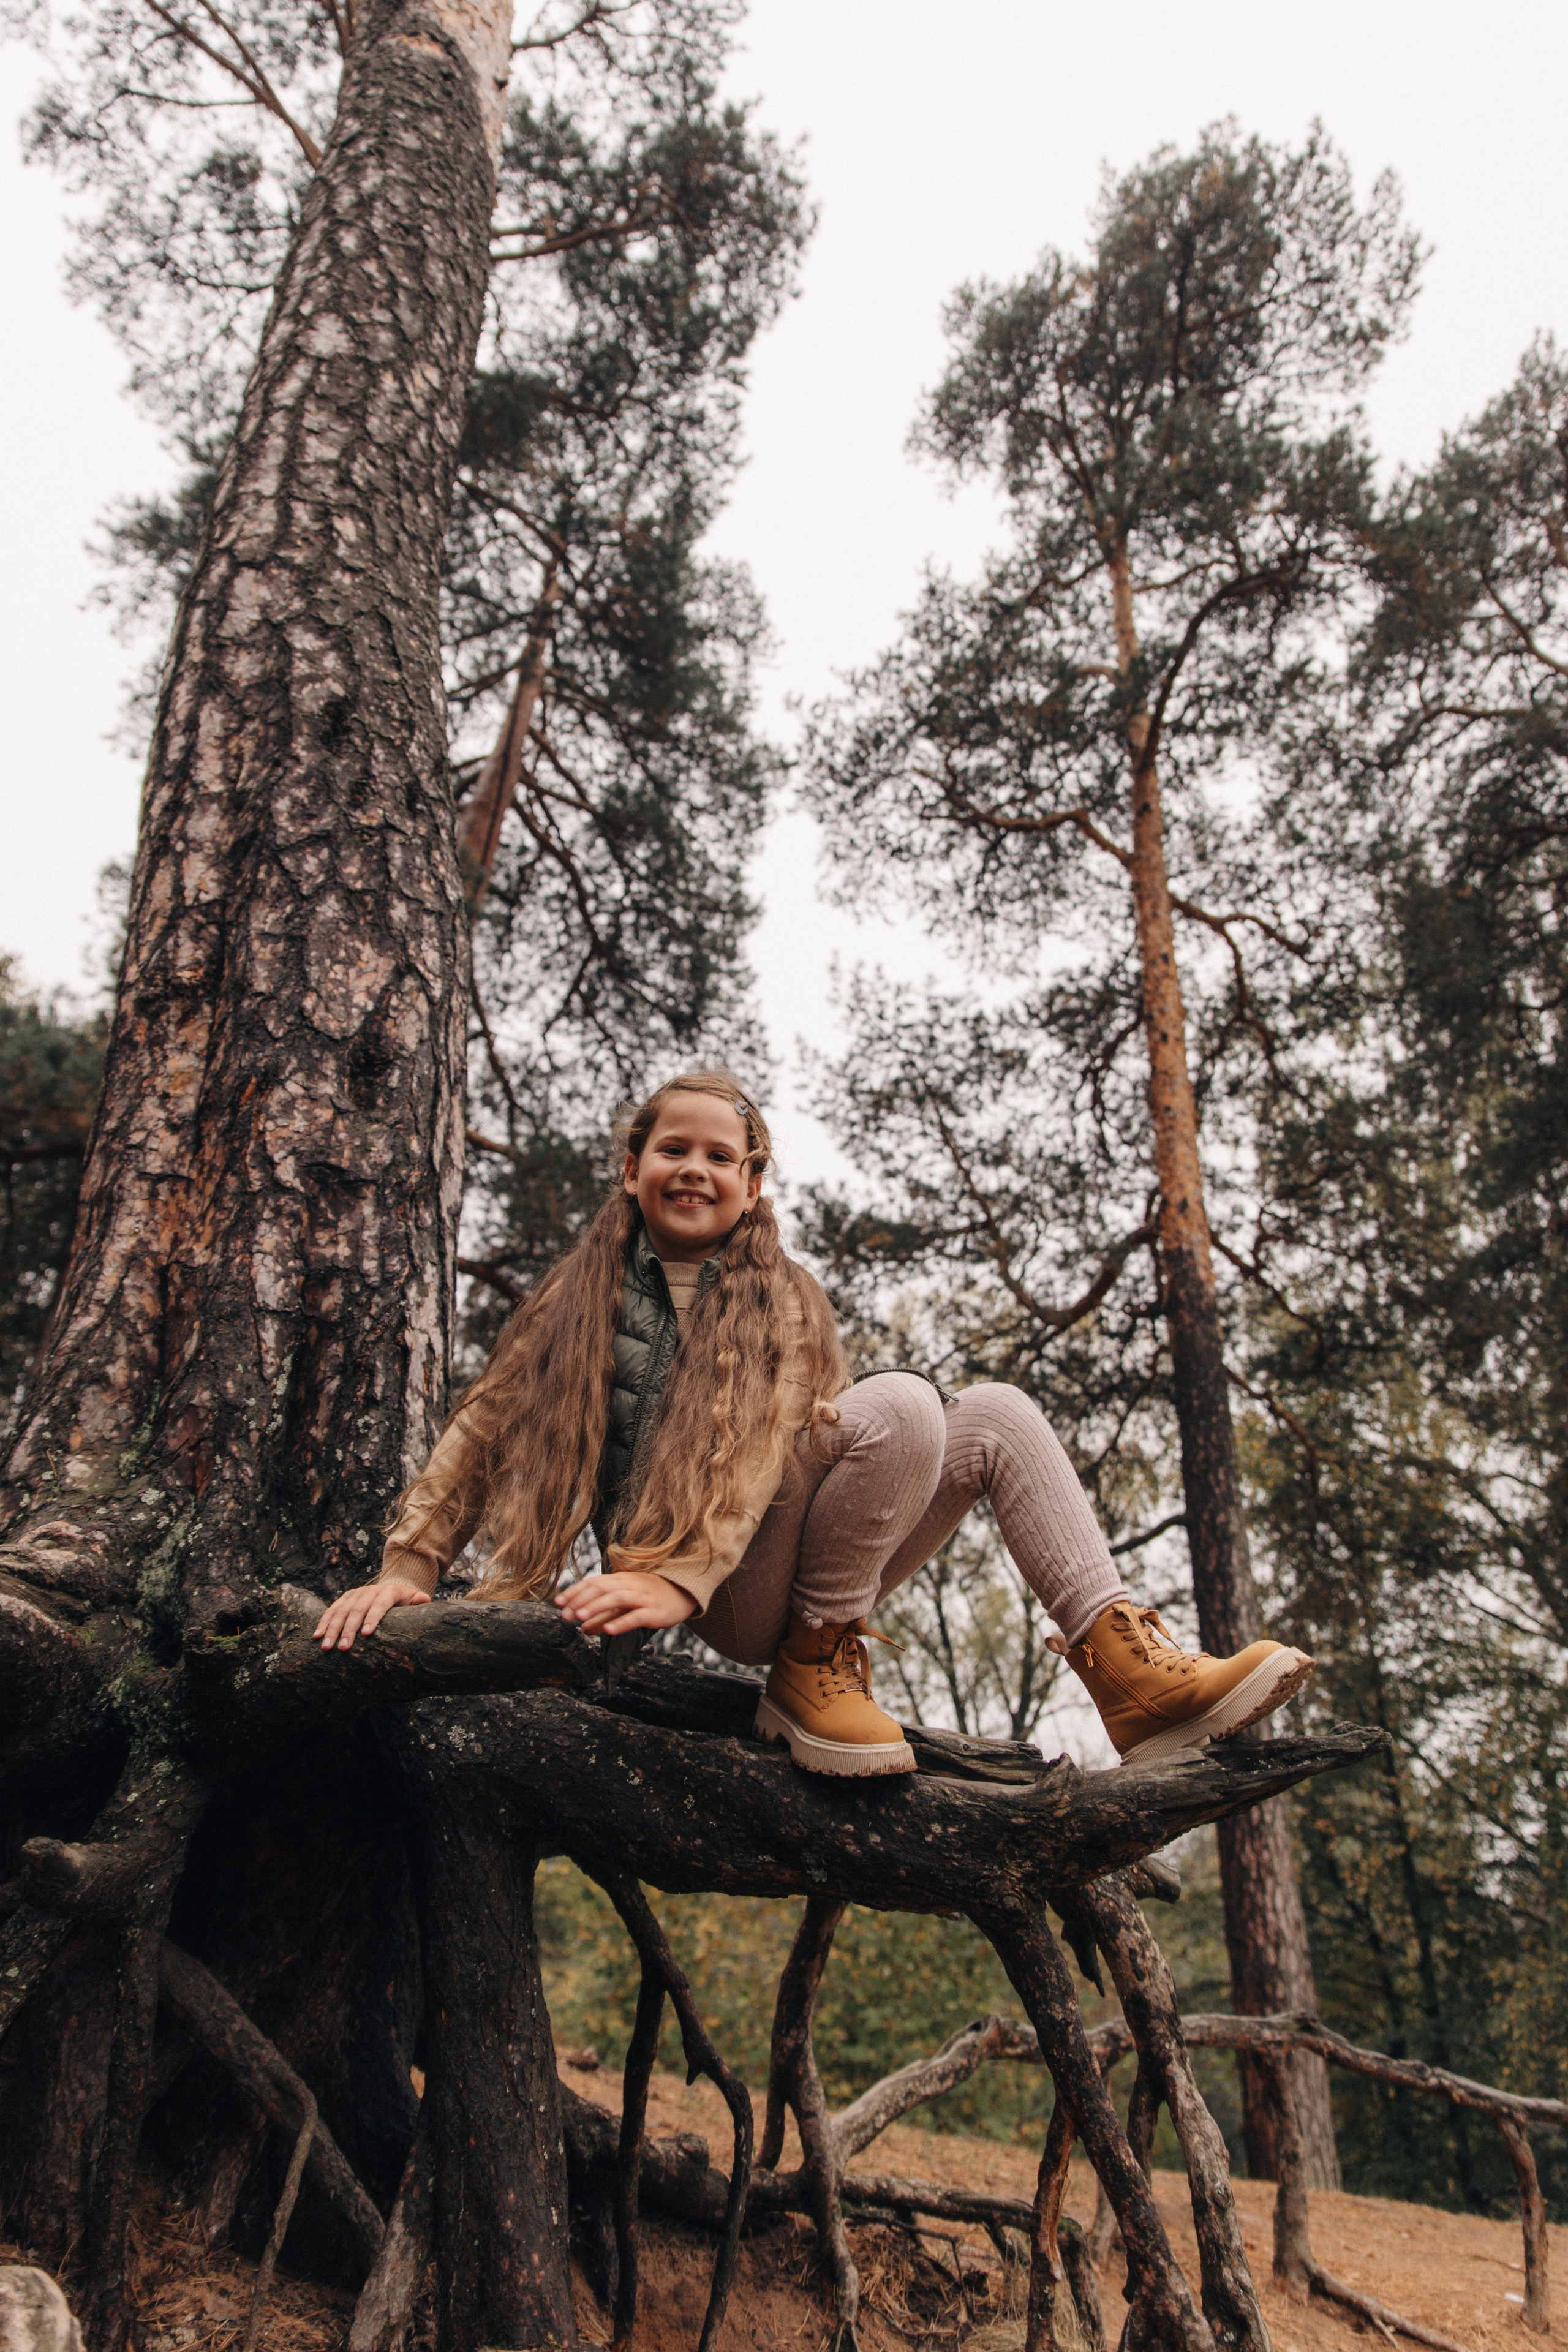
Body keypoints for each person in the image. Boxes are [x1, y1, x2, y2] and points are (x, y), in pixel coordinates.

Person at [312, 1068, 1313, 1774]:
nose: (694, 1168)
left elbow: (756, 1447)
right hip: (719, 1592)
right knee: (910, 1402)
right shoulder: (578, 1302)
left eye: (720, 1156)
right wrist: (409, 1567)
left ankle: (1126, 1675)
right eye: (672, 1150)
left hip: (735, 1559)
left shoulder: (779, 1297)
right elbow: (483, 1428)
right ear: (632, 1170)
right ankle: (802, 1669)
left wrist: (681, 1576)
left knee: (988, 1413)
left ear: (754, 1187)